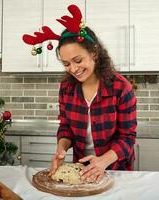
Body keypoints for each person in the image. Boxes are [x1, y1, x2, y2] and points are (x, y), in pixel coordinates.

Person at [48, 26, 137, 183]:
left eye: (78, 60)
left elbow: (127, 138)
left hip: (116, 169)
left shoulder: (121, 87)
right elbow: (66, 127)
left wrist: (102, 161)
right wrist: (61, 149)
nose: (73, 69)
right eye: (66, 64)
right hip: (82, 170)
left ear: (94, 52)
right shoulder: (66, 88)